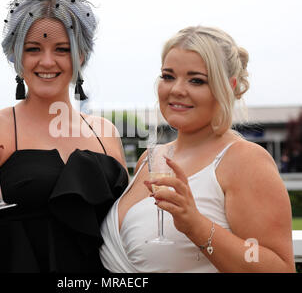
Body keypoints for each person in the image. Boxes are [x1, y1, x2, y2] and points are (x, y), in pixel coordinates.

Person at [0, 0, 128, 273]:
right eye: (33, 48)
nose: (47, 61)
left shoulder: (106, 133)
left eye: (62, 49)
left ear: (81, 56)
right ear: (16, 56)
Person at [100, 26, 295, 272]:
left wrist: (196, 226)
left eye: (196, 80)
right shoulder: (150, 159)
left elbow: (280, 269)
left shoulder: (245, 161)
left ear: (229, 86)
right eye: (168, 76)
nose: (177, 89)